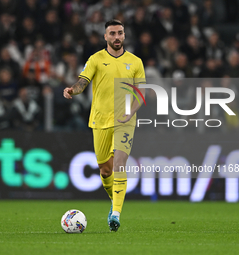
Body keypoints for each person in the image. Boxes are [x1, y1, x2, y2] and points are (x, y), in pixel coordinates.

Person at [63, 19, 146, 232]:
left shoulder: (135, 62)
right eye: (112, 33)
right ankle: (114, 201)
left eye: (120, 33)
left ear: (124, 35)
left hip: (125, 121)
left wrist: (130, 112)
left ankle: (115, 214)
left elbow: (141, 94)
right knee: (105, 169)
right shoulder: (96, 59)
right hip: (100, 120)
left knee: (119, 164)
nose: (116, 37)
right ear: (105, 37)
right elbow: (83, 82)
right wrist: (73, 89)